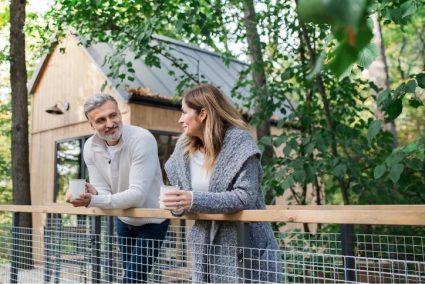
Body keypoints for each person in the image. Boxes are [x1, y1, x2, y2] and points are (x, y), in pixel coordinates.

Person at [162, 83, 282, 283]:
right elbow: (184, 198)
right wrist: (177, 205)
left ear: (203, 114)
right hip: (204, 249)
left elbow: (245, 196)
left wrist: (192, 199)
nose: (180, 119)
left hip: (245, 244)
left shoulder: (240, 144)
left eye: (184, 112)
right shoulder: (183, 150)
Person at [67, 93, 169, 283]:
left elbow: (137, 195)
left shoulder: (142, 139)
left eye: (113, 115)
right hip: (123, 219)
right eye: (100, 120)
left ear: (119, 114)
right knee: (134, 280)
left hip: (152, 219)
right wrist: (92, 192)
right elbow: (103, 190)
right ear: (91, 125)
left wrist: (94, 200)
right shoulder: (90, 148)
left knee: (130, 280)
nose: (110, 123)